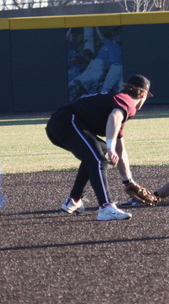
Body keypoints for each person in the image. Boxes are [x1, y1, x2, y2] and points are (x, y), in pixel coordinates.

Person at [46, 74, 153, 221]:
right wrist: (110, 148)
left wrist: (128, 181)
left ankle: (74, 199)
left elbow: (121, 150)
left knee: (97, 153)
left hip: (61, 124)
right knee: (98, 160)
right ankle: (105, 207)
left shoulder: (118, 103)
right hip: (67, 121)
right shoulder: (127, 100)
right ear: (144, 93)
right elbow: (114, 118)